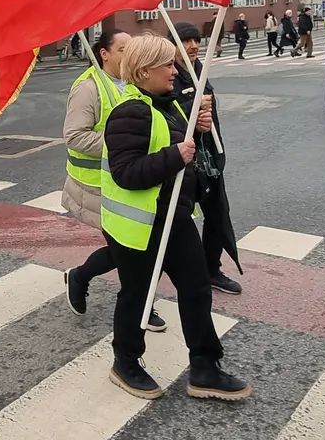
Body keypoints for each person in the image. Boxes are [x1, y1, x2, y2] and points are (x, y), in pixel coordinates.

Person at [101, 34, 250, 401]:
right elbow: (126, 172)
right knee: (137, 294)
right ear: (143, 70)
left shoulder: (165, 104)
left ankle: (204, 367)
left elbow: (180, 154)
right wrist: (176, 154)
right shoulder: (129, 112)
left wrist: (196, 134)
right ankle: (126, 362)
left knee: (197, 289)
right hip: (140, 226)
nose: (175, 70)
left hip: (174, 217)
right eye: (167, 64)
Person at [61, 31, 167, 330]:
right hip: (97, 185)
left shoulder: (135, 82)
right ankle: (138, 305)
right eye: (122, 49)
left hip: (133, 181)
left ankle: (84, 278)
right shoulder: (89, 87)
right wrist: (123, 144)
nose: (128, 54)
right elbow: (74, 135)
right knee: (131, 248)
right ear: (104, 53)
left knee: (137, 246)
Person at [168, 22, 243, 295]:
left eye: (196, 40)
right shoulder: (168, 73)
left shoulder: (199, 68)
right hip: (184, 160)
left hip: (209, 156)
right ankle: (160, 279)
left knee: (218, 214)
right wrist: (193, 107)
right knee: (174, 223)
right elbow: (166, 114)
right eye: (186, 41)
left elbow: (209, 113)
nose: (193, 46)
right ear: (172, 45)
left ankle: (212, 269)